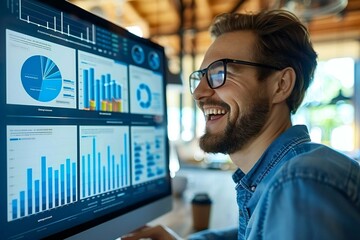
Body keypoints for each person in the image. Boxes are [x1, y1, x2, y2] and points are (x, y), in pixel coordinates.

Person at [122, 9, 360, 240]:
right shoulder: (274, 179)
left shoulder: (298, 182)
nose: (199, 93)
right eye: (201, 77)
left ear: (281, 85)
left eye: (220, 73)